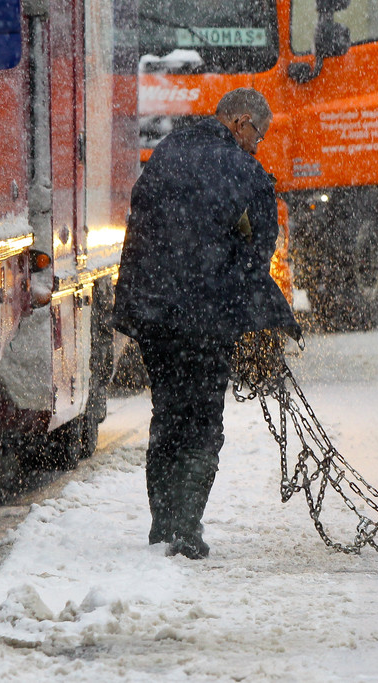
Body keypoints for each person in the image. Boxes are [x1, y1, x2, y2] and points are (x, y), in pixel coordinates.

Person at [113, 87, 299, 559]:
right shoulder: (244, 171)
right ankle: (185, 528)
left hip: (154, 314)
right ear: (240, 122)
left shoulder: (167, 151)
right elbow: (259, 251)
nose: (257, 145)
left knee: (167, 416)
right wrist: (246, 302)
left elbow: (140, 219)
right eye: (258, 135)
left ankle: (163, 525)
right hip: (205, 319)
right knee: (202, 422)